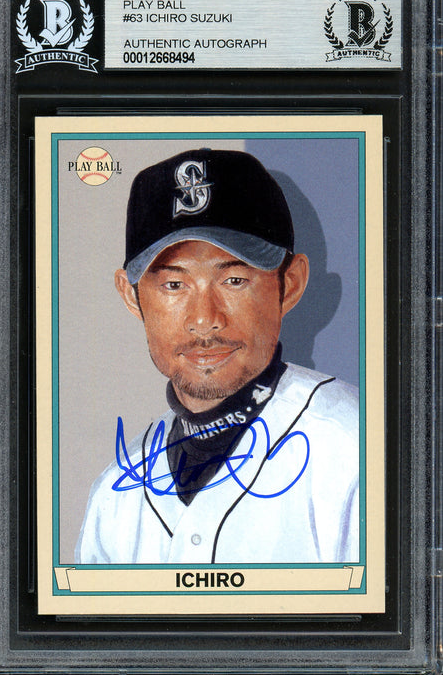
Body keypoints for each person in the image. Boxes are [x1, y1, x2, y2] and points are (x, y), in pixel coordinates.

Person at [76, 148, 359, 565]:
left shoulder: (357, 449)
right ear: (131, 296)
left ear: (291, 284)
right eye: (174, 285)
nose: (204, 320)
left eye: (234, 280)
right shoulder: (115, 495)